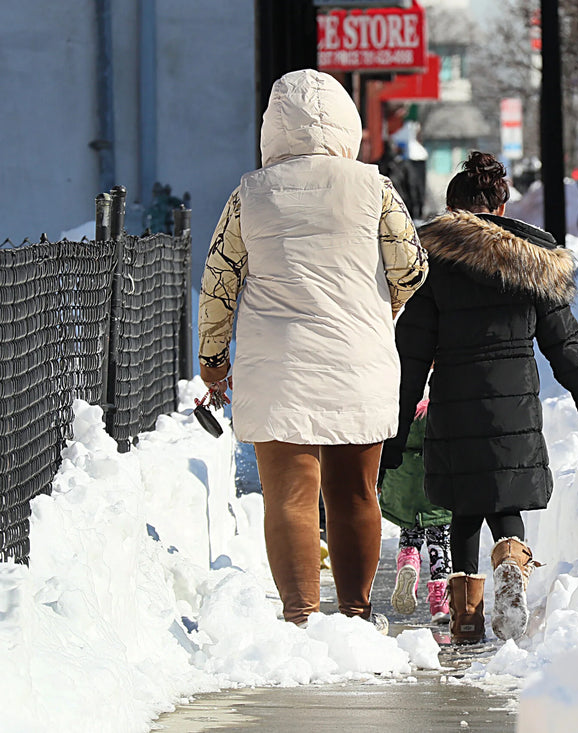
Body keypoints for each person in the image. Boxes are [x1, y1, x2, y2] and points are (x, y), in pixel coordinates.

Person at [197, 69, 428, 630]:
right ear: (347, 122)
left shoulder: (249, 193)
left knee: (291, 499)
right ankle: (354, 612)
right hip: (358, 358)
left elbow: (219, 282)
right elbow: (412, 267)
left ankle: (299, 616)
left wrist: (212, 358)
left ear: (272, 128)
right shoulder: (375, 188)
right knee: (355, 494)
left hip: (276, 364)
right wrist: (381, 308)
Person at [381, 151, 578, 644]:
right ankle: (511, 559)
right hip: (515, 408)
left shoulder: (434, 268)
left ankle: (466, 618)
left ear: (453, 210)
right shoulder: (532, 266)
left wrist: (395, 432)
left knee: (463, 507)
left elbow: (411, 359)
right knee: (505, 501)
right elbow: (565, 343)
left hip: (454, 407)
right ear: (502, 210)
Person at [378, 395, 452, 623]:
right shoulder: (443, 406)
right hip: (437, 478)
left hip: (405, 482)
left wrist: (382, 480)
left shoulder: (400, 402)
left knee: (410, 530)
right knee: (440, 539)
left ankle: (409, 563)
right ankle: (440, 601)